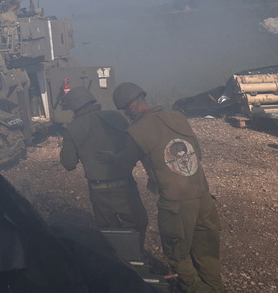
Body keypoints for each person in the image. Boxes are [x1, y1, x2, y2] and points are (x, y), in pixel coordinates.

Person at [102, 82, 224, 293]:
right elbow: (198, 154)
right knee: (207, 253)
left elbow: (123, 166)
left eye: (125, 110)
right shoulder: (178, 117)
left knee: (177, 255)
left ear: (130, 107)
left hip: (176, 204)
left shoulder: (137, 131)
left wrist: (111, 159)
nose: (126, 114)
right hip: (203, 196)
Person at [59, 86, 149, 248]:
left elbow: (68, 163)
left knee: (109, 234)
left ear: (73, 106)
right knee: (137, 227)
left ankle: (119, 263)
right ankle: (137, 259)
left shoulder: (72, 128)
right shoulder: (116, 117)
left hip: (99, 191)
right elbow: (134, 147)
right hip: (125, 187)